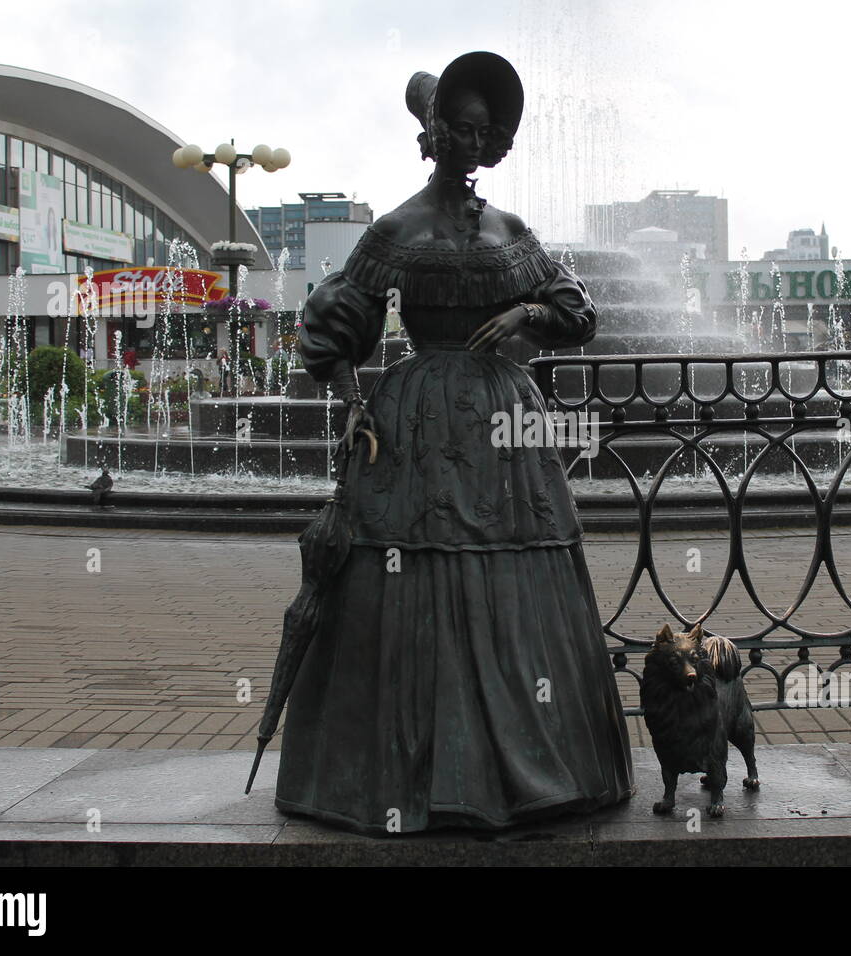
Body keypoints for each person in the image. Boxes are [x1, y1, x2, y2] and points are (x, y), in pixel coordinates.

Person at [279, 51, 632, 834]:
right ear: (433, 135)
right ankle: (414, 770)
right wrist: (351, 405)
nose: (473, 142)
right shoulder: (397, 230)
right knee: (412, 563)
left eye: (486, 130)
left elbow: (577, 314)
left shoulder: (510, 231)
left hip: (505, 424)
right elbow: (334, 328)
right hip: (417, 422)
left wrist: (527, 317)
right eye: (459, 128)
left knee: (517, 562)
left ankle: (531, 763)